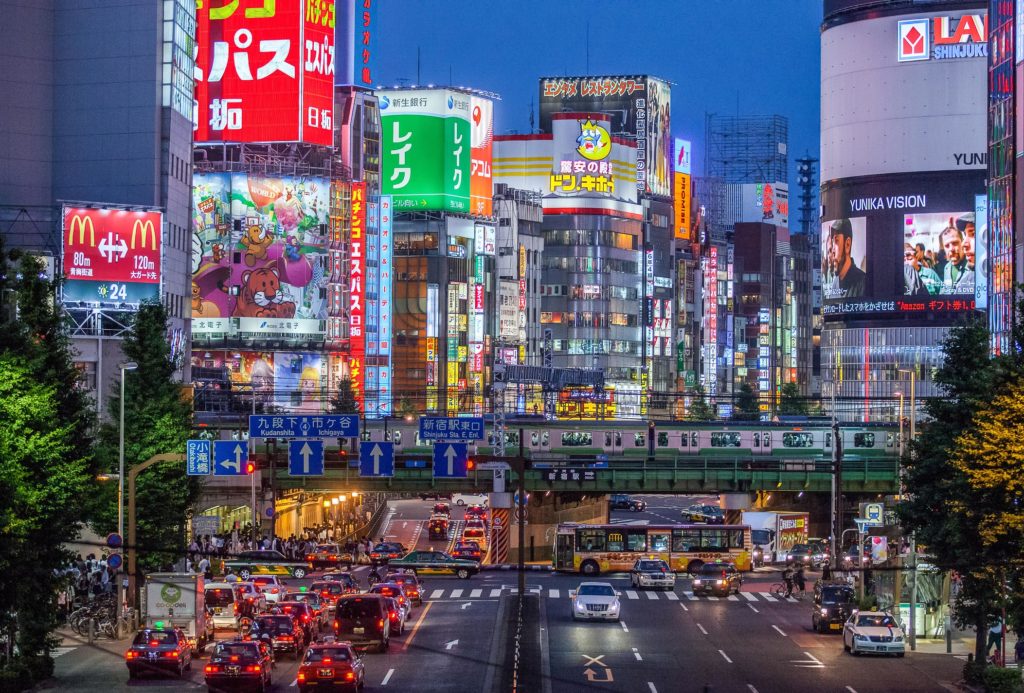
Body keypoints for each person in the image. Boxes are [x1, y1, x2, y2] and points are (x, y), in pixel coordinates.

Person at [825, 218, 867, 299]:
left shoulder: (863, 282)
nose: (832, 253)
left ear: (847, 244)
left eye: (836, 241)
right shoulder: (834, 284)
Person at [940, 221, 973, 294]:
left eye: (955, 243)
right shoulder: (947, 268)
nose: (951, 249)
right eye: (947, 246)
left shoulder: (972, 267)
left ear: (962, 242)